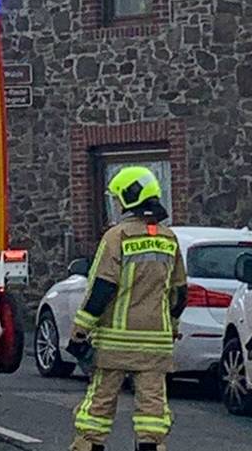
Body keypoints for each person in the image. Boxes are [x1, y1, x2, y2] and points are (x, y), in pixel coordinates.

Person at [66, 167, 187, 451]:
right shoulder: (169, 239)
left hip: (115, 343)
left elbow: (102, 289)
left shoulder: (117, 236)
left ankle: (89, 447)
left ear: (129, 198)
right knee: (153, 412)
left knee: (98, 408)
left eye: (118, 198)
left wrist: (80, 331)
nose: (117, 204)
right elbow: (180, 293)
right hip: (155, 345)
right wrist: (172, 327)